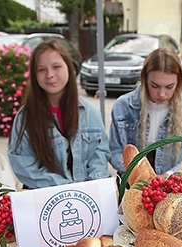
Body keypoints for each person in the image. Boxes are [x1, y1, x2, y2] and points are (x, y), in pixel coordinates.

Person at [8, 39, 111, 189]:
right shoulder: (25, 118)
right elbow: (24, 165)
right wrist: (66, 189)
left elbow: (100, 156)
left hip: (88, 198)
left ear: (69, 68)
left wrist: (88, 188)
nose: (49, 74)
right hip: (44, 199)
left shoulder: (90, 113)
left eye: (56, 67)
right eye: (41, 69)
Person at [109, 47, 182, 176]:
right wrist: (140, 174)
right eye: (154, 86)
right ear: (144, 79)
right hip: (132, 184)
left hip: (174, 187)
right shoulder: (123, 106)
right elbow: (114, 152)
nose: (162, 93)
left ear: (179, 83)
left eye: (169, 87)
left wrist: (169, 176)